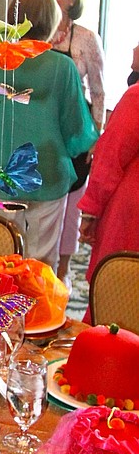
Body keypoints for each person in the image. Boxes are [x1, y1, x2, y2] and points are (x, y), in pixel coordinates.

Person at [0, 0, 98, 269]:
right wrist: (80, 146)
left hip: (2, 168)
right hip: (48, 169)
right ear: (51, 23)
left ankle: (4, 308)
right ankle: (36, 309)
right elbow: (75, 126)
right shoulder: (63, 67)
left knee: (3, 249)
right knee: (42, 258)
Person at [49, 0, 105, 290]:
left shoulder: (85, 38)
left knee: (72, 201)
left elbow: (98, 92)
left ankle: (64, 269)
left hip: (75, 128)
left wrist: (95, 138)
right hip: (42, 123)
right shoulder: (34, 34)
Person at [78, 50, 139, 288]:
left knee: (115, 290)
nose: (134, 48)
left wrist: (90, 211)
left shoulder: (136, 97)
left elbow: (111, 158)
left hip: (130, 212)